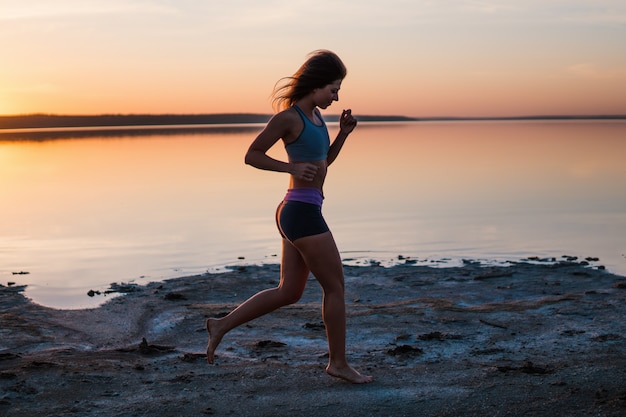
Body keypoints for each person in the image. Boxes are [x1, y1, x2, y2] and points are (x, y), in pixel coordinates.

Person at [206, 50, 372, 384]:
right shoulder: (289, 117)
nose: (337, 96)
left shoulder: (315, 118)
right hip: (300, 212)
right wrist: (290, 167)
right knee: (336, 287)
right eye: (333, 88)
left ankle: (220, 325)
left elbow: (323, 162)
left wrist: (343, 134)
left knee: (289, 292)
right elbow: (251, 155)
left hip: (300, 210)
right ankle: (337, 363)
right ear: (315, 85)